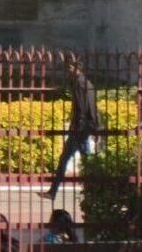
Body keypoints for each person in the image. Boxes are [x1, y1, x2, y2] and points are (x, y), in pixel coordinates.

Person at [44, 60, 102, 198]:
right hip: (79, 128)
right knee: (68, 159)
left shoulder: (83, 85)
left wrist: (95, 128)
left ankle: (95, 190)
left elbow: (89, 108)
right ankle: (54, 191)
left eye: (70, 67)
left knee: (84, 161)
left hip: (80, 129)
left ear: (77, 68)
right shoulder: (79, 83)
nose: (68, 70)